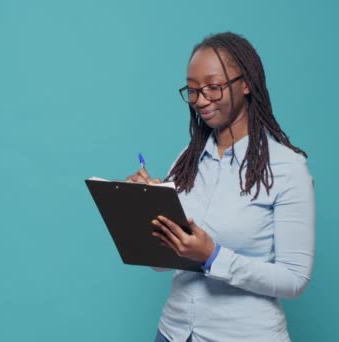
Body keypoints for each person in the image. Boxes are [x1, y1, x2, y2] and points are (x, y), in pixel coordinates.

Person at [126, 32, 315, 342]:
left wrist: (213, 257)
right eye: (193, 90)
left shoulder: (286, 168)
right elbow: (162, 266)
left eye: (213, 87)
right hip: (174, 333)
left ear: (246, 83)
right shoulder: (187, 161)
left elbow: (294, 280)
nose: (200, 100)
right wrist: (147, 208)